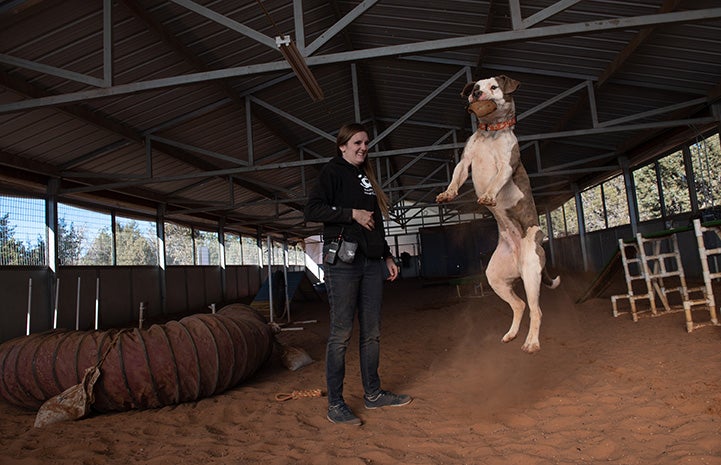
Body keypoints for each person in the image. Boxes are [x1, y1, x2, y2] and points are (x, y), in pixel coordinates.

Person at [304, 123, 412, 426]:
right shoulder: (333, 171)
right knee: (340, 334)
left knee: (372, 331)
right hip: (343, 262)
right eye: (357, 142)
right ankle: (336, 404)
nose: (363, 147)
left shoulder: (366, 178)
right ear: (342, 146)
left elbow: (375, 222)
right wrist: (350, 214)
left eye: (366, 142)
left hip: (370, 262)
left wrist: (387, 255)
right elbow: (312, 210)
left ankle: (373, 394)